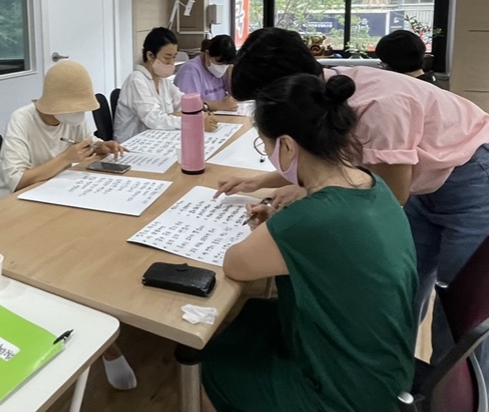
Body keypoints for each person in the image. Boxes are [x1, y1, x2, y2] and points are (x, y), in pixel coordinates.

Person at [215, 26, 489, 373]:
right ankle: (393, 375)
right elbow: (328, 161)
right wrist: (265, 181)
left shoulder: (377, 106)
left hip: (470, 174)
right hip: (423, 177)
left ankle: (450, 393)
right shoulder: (326, 92)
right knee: (404, 286)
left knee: (458, 309)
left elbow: (389, 195)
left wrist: (308, 199)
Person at [202, 73, 418, 412]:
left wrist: (280, 229)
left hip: (346, 394)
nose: (269, 155)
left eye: (266, 146)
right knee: (255, 315)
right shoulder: (370, 183)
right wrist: (285, 228)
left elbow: (235, 265)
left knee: (209, 368)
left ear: (288, 146)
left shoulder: (311, 218)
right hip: (386, 370)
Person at [0, 60, 137, 390]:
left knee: (96, 250)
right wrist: (65, 158)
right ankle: (104, 345)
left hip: (64, 198)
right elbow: (16, 181)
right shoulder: (22, 119)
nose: (79, 115)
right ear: (54, 104)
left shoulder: (72, 118)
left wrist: (101, 146)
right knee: (63, 266)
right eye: (74, 109)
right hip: (23, 211)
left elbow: (86, 141)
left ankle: (103, 326)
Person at [113, 27, 217, 143]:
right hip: (133, 145)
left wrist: (202, 115)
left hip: (157, 139)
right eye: (167, 57)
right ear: (150, 56)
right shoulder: (136, 81)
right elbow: (154, 119)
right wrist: (194, 122)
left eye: (174, 57)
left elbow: (184, 104)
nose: (171, 62)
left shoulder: (164, 82)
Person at [174, 34, 238, 112]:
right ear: (207, 54)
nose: (222, 67)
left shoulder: (225, 69)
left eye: (226, 64)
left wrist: (230, 73)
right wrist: (219, 105)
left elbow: (236, 95)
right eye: (219, 63)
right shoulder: (190, 71)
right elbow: (188, 105)